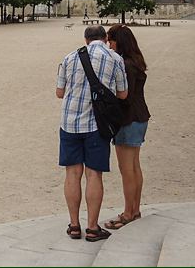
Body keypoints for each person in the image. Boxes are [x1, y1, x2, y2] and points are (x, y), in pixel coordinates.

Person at [56, 25, 128, 242]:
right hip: (97, 125)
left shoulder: (70, 57)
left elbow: (60, 92)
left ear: (85, 40)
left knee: (72, 173)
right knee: (93, 174)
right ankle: (92, 227)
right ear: (105, 38)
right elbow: (123, 94)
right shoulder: (115, 58)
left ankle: (74, 224)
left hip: (69, 122)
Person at [103, 24, 151, 230]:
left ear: (118, 41)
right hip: (140, 117)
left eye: (110, 41)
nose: (109, 45)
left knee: (126, 169)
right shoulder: (136, 62)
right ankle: (135, 209)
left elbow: (124, 96)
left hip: (128, 119)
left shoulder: (125, 65)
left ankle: (128, 213)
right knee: (135, 166)